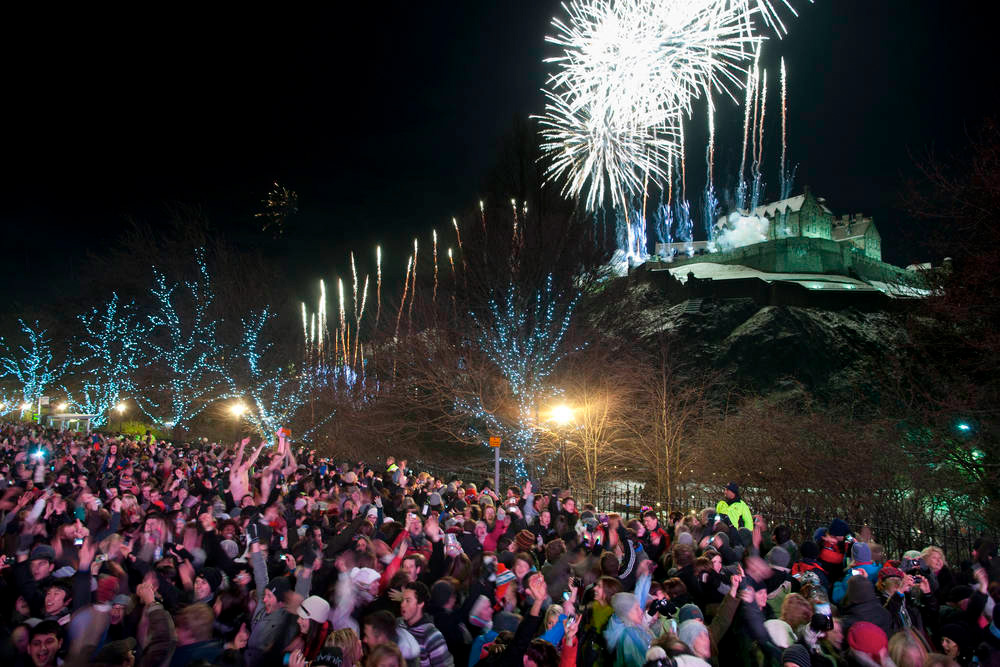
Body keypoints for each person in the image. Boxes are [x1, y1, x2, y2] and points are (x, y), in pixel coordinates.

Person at [399, 581, 454, 667]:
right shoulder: (399, 625)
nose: (402, 604)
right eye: (402, 600)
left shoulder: (432, 635)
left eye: (408, 601)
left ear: (420, 603)